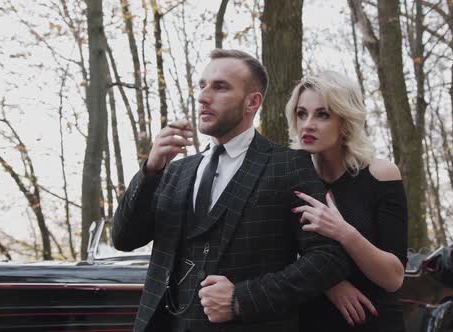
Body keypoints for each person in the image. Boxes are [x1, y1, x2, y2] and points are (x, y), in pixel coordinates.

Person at [112, 49, 350, 332]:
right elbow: (124, 238)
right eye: (202, 85)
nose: (203, 96)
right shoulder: (174, 170)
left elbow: (327, 259)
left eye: (220, 87)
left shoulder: (289, 166)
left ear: (252, 102)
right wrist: (150, 171)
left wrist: (243, 298)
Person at [285, 71, 408, 332]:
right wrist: (330, 282)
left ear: (345, 122)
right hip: (308, 318)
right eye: (301, 113)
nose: (307, 125)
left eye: (323, 114)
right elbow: (273, 255)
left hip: (372, 319)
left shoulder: (380, 175)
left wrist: (343, 231)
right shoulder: (286, 179)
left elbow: (394, 277)